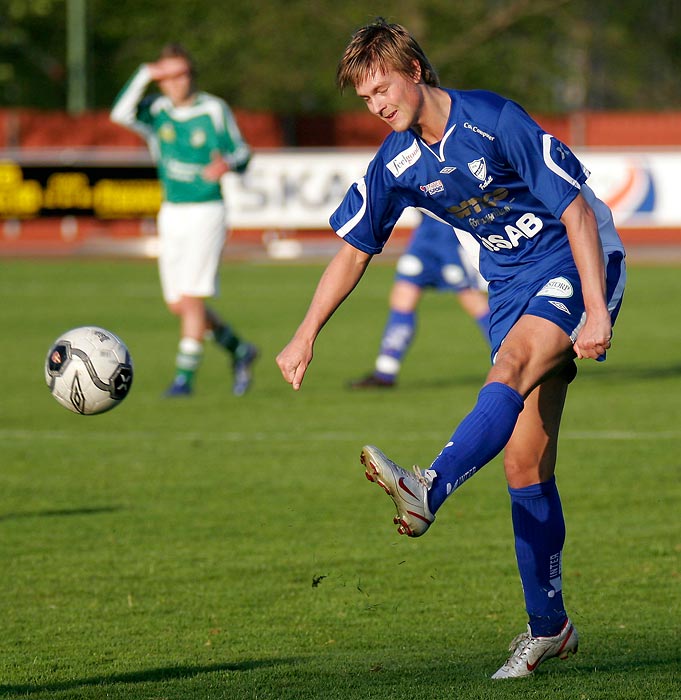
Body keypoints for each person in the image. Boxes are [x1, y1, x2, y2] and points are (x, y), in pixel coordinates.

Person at [276, 19, 626, 679]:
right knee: (524, 466)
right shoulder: (398, 162)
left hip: (576, 257)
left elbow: (576, 210)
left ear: (413, 69)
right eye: (364, 98)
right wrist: (304, 333)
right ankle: (550, 628)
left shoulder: (492, 119)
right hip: (506, 282)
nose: (376, 105)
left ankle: (426, 484)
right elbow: (354, 250)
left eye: (381, 88)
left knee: (512, 366)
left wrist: (597, 307)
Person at [111, 43, 258, 397]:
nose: (178, 82)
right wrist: (145, 73)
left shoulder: (212, 109)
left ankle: (183, 380)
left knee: (192, 298)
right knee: (178, 304)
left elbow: (242, 150)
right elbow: (119, 114)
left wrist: (228, 163)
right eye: (169, 76)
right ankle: (240, 350)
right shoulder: (157, 111)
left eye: (183, 74)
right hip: (171, 212)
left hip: (207, 210)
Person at [349, 213, 490, 389]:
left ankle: (509, 356)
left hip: (452, 233)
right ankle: (385, 372)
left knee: (470, 296)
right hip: (425, 235)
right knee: (403, 295)